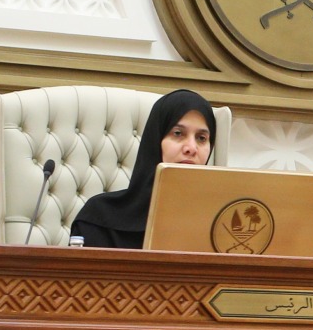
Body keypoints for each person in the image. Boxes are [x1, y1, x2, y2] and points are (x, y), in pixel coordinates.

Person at [70, 89, 216, 249]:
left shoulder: (220, 220)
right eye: (178, 133)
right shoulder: (98, 218)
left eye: (201, 138)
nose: (191, 148)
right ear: (155, 140)